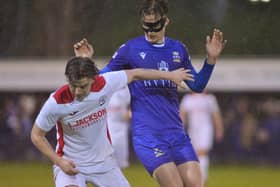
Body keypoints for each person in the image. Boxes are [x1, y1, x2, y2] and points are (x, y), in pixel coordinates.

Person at [74, 0, 226, 186]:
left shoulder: (178, 49)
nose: (151, 31)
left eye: (156, 26)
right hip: (148, 136)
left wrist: (210, 60)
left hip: (176, 134)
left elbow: (197, 86)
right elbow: (100, 80)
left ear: (166, 21)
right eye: (147, 26)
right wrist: (86, 62)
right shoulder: (130, 49)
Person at [30, 56, 194, 187]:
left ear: (93, 80)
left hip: (104, 163)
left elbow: (135, 73)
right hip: (71, 164)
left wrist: (170, 75)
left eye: (83, 86)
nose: (77, 92)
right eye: (73, 86)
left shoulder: (105, 84)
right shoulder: (57, 102)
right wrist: (59, 162)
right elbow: (37, 135)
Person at [180, 92, 224, 186]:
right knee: (193, 155)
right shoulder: (187, 99)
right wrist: (180, 130)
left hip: (206, 129)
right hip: (193, 130)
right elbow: (182, 116)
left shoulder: (210, 99)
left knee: (202, 153)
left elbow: (216, 115)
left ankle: (203, 179)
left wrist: (219, 129)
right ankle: (194, 179)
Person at [107, 86, 131, 169]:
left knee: (120, 149)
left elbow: (130, 105)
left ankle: (120, 167)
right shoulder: (107, 89)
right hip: (109, 124)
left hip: (121, 125)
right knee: (111, 147)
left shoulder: (125, 91)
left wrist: (129, 113)